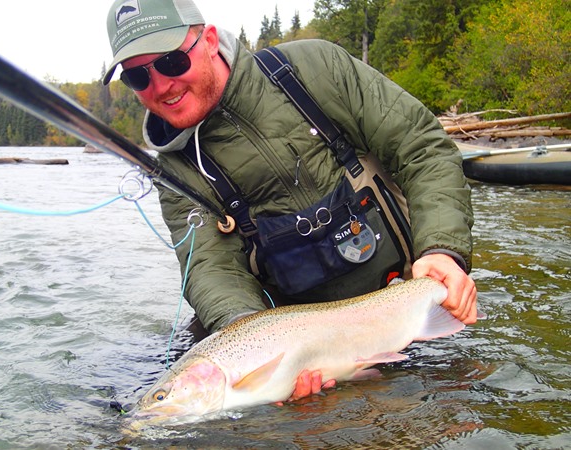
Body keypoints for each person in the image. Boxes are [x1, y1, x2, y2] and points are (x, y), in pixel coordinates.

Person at [103, 0, 477, 400]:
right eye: (137, 77)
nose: (161, 86)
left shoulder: (315, 68)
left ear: (209, 40)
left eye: (172, 62)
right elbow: (211, 269)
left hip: (408, 302)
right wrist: (259, 348)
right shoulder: (175, 172)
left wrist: (442, 250)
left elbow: (422, 148)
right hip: (303, 351)